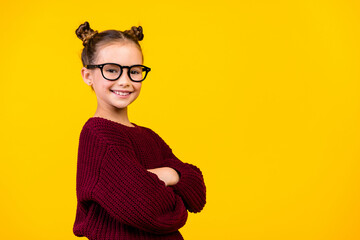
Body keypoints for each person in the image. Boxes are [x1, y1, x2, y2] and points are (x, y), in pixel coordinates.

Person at [73, 21, 207, 240]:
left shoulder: (148, 136)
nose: (125, 81)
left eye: (134, 71)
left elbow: (197, 190)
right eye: (112, 71)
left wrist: (165, 174)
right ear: (88, 76)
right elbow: (151, 210)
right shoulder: (98, 135)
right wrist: (171, 186)